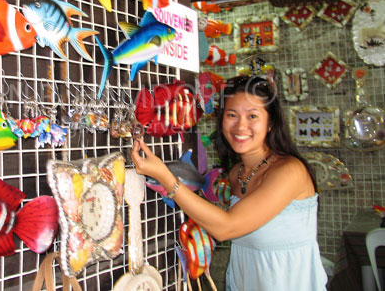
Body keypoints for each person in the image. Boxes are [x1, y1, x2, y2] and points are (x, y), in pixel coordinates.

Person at [131, 75, 328, 290]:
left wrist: (166, 177)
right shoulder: (237, 173)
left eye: (252, 116)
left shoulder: (290, 171)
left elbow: (226, 227)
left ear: (270, 123)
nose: (240, 126)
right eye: (232, 115)